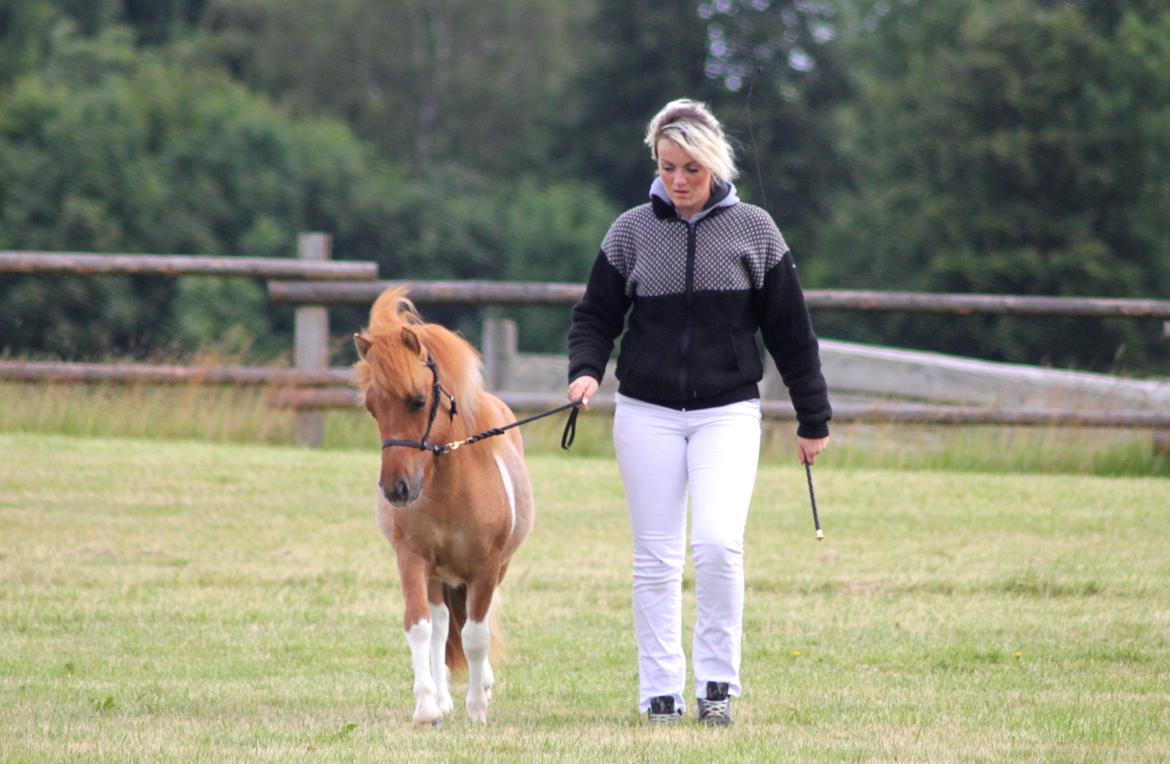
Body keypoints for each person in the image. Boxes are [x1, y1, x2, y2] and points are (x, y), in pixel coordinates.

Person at [566, 98, 831, 726]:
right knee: (655, 558)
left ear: (713, 164)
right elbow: (595, 317)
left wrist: (812, 416)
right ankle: (660, 691)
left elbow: (793, 332)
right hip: (645, 411)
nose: (678, 181)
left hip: (728, 412)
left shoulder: (756, 231)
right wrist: (584, 371)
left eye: (690, 168)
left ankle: (717, 687)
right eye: (666, 167)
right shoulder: (630, 231)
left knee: (716, 545)